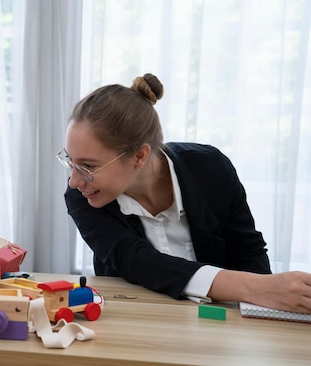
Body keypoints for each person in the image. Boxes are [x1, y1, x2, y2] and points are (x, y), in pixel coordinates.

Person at [59, 73, 311, 314]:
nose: (74, 181)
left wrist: (265, 303)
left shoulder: (210, 167)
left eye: (88, 166)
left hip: (222, 329)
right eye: (71, 161)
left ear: (139, 156)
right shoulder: (83, 198)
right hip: (134, 328)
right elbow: (139, 262)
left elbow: (248, 251)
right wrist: (256, 289)